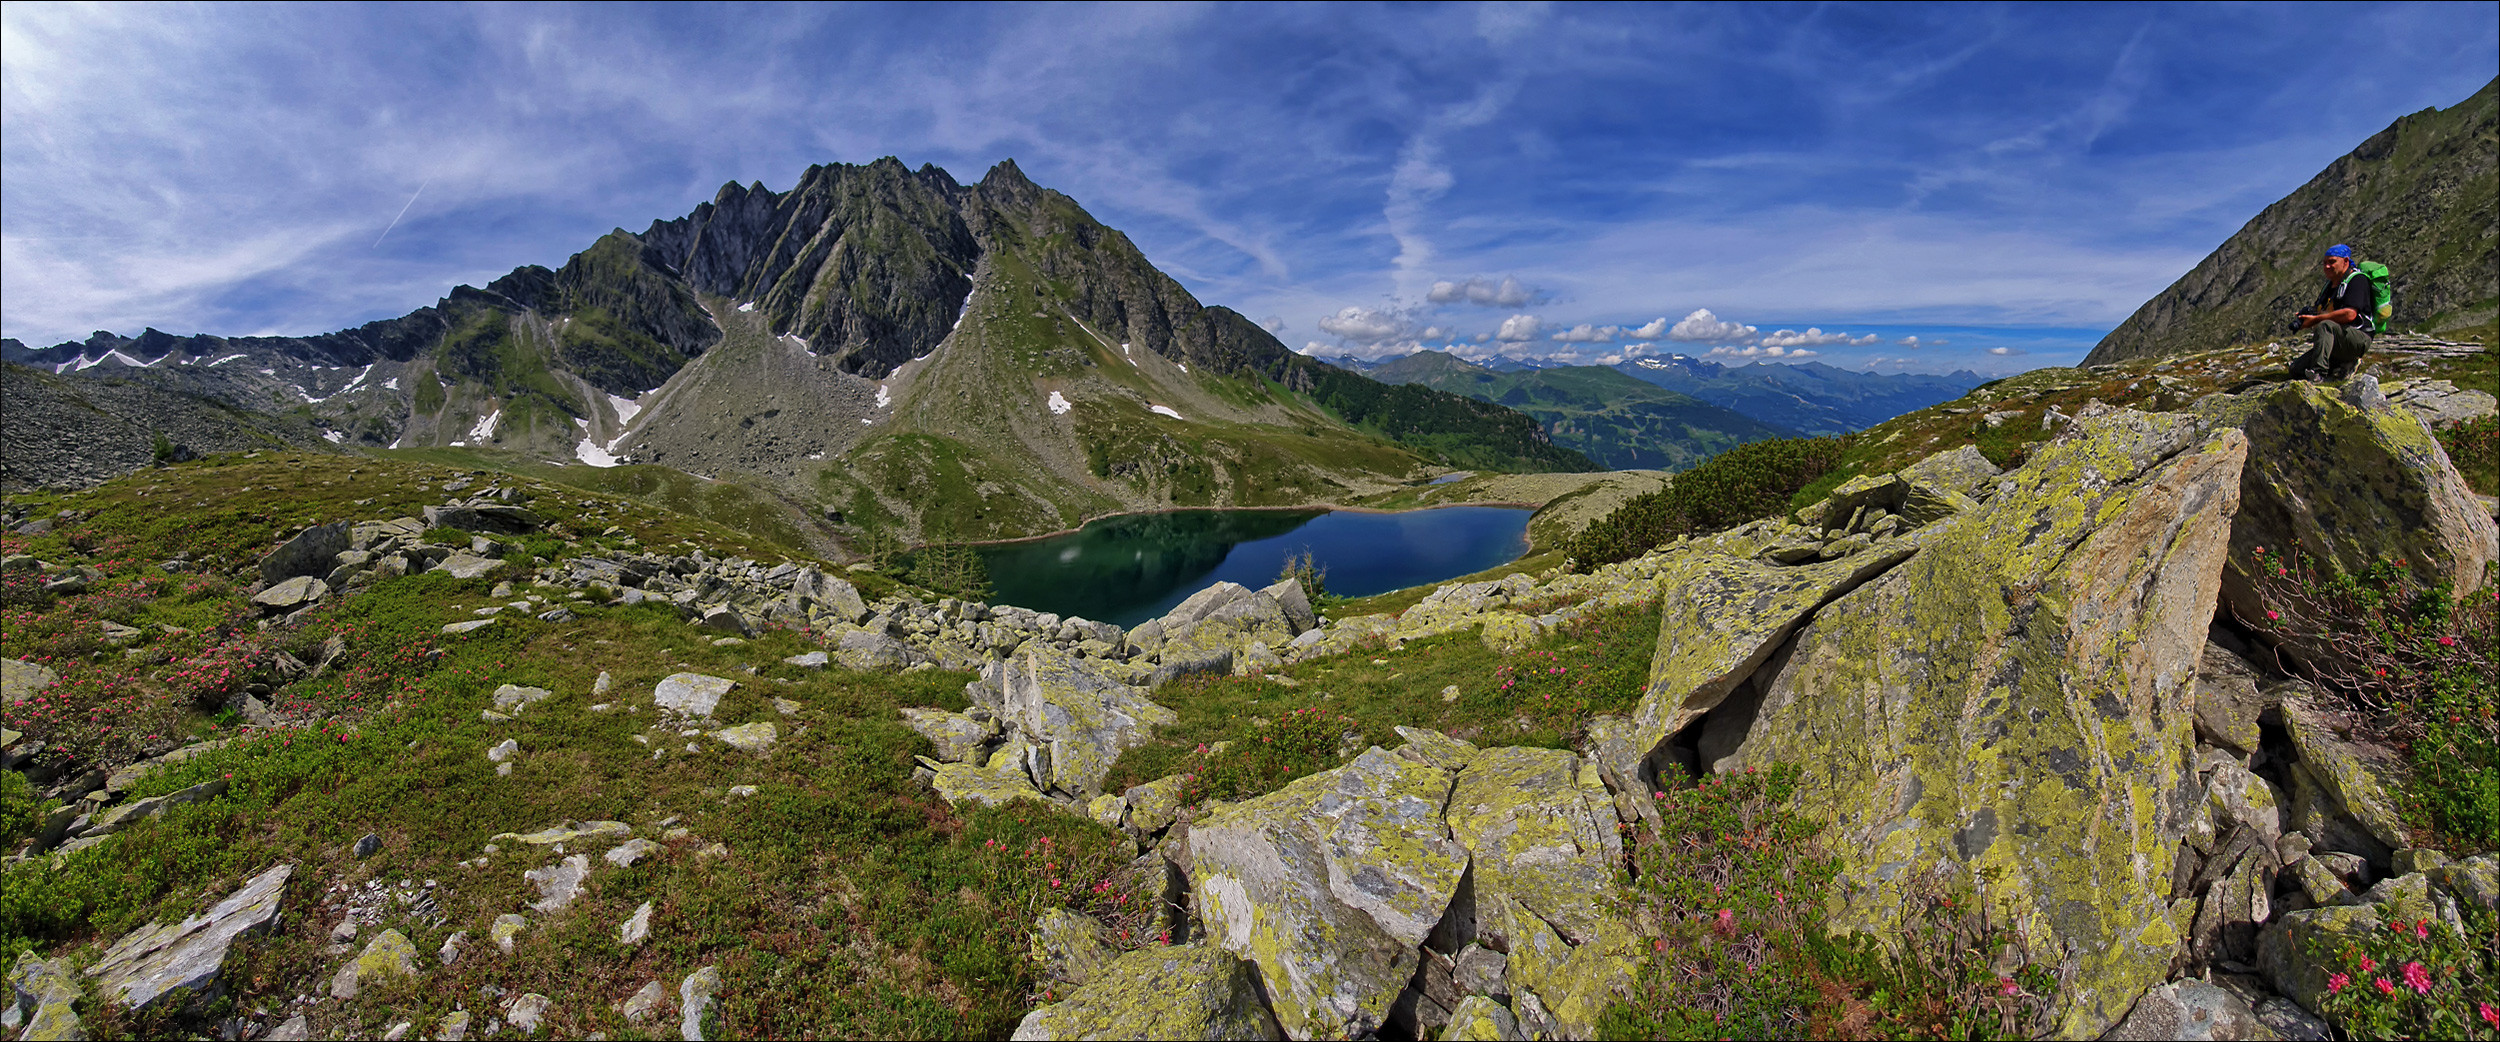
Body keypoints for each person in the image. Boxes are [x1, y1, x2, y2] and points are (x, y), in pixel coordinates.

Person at [2287, 244, 2376, 381]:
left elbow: (2350, 314)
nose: (2327, 266)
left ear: (2345, 261)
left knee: (2325, 325)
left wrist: (2316, 320)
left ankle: (2318, 374)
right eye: (2324, 263)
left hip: (2358, 338)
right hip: (2336, 342)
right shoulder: (2329, 286)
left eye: (2332, 262)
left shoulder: (2357, 280)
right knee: (2296, 370)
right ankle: (2341, 367)